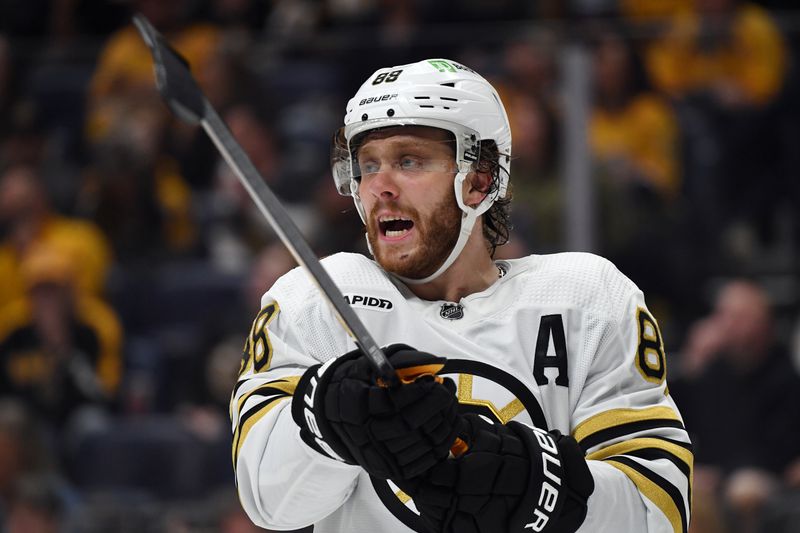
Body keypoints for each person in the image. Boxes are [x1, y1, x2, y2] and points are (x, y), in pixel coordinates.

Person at [231, 58, 693, 533]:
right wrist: (326, 419)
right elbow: (269, 503)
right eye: (367, 165)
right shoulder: (317, 301)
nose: (380, 187)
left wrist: (534, 487)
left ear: (480, 179)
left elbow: (659, 511)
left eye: (408, 161)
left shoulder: (587, 300)